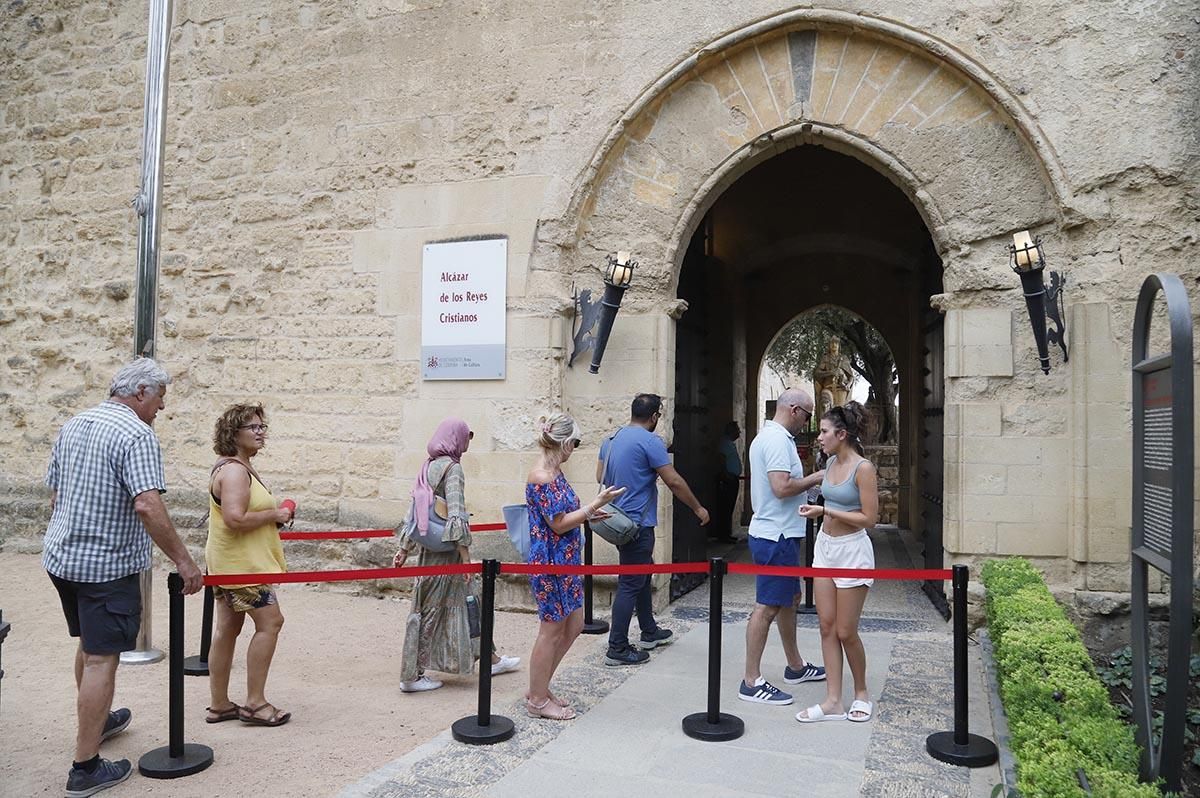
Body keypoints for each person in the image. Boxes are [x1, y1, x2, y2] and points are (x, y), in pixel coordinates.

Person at [42, 358, 202, 797]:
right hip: (106, 566)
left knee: (90, 647)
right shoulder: (136, 433)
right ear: (141, 393)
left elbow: (56, 495)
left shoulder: (74, 423)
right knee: (101, 658)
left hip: (62, 558)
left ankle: (99, 721)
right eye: (161, 399)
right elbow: (148, 506)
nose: (162, 409)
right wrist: (185, 562)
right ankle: (86, 767)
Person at [393, 418, 520, 692]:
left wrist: (404, 548)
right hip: (447, 555)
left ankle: (490, 658)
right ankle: (412, 675)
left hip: (428, 552)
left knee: (466, 605)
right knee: (433, 610)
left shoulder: (426, 466)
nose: (467, 443)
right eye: (466, 437)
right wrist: (466, 560)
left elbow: (413, 511)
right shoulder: (453, 469)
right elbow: (457, 514)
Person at [597, 393, 710, 666]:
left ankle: (649, 631)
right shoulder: (650, 442)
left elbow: (599, 477)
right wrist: (697, 508)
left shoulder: (610, 440)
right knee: (630, 583)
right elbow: (673, 481)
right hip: (637, 523)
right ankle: (618, 647)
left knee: (643, 572)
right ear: (655, 417)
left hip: (616, 520)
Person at [525, 412, 625, 719]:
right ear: (565, 442)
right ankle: (537, 699)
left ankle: (540, 687)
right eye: (575, 442)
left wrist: (590, 514)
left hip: (565, 561)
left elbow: (565, 514)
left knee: (575, 623)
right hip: (551, 562)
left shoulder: (555, 472)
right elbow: (557, 525)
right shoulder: (543, 476)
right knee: (551, 630)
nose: (575, 449)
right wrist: (594, 506)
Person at [204, 403, 295, 727]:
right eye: (252, 428)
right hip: (241, 567)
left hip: (231, 564)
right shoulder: (234, 471)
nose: (260, 432)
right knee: (271, 623)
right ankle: (255, 703)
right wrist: (276, 514)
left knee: (228, 628)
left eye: (261, 427)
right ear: (234, 434)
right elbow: (235, 518)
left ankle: (219, 704)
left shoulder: (235, 467)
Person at [738, 388, 826, 706]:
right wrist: (817, 477)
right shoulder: (776, 440)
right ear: (792, 409)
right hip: (775, 536)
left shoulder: (774, 438)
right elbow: (781, 487)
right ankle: (751, 681)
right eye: (807, 415)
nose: (807, 422)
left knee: (790, 598)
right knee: (767, 606)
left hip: (783, 534)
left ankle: (795, 666)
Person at [797, 401, 879, 723]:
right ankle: (833, 700)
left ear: (842, 434)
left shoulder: (864, 469)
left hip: (852, 551)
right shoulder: (829, 465)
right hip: (825, 547)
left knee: (846, 631)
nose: (819, 437)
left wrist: (825, 511)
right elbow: (814, 489)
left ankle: (860, 693)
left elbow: (869, 519)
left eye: (825, 431)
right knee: (826, 626)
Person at [711, 421, 742, 543]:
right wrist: (726, 475)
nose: (739, 432)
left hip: (731, 479)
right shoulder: (725, 443)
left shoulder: (729, 443)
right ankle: (723, 535)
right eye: (737, 430)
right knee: (725, 508)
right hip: (727, 480)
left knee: (729, 508)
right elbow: (721, 459)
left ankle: (726, 533)